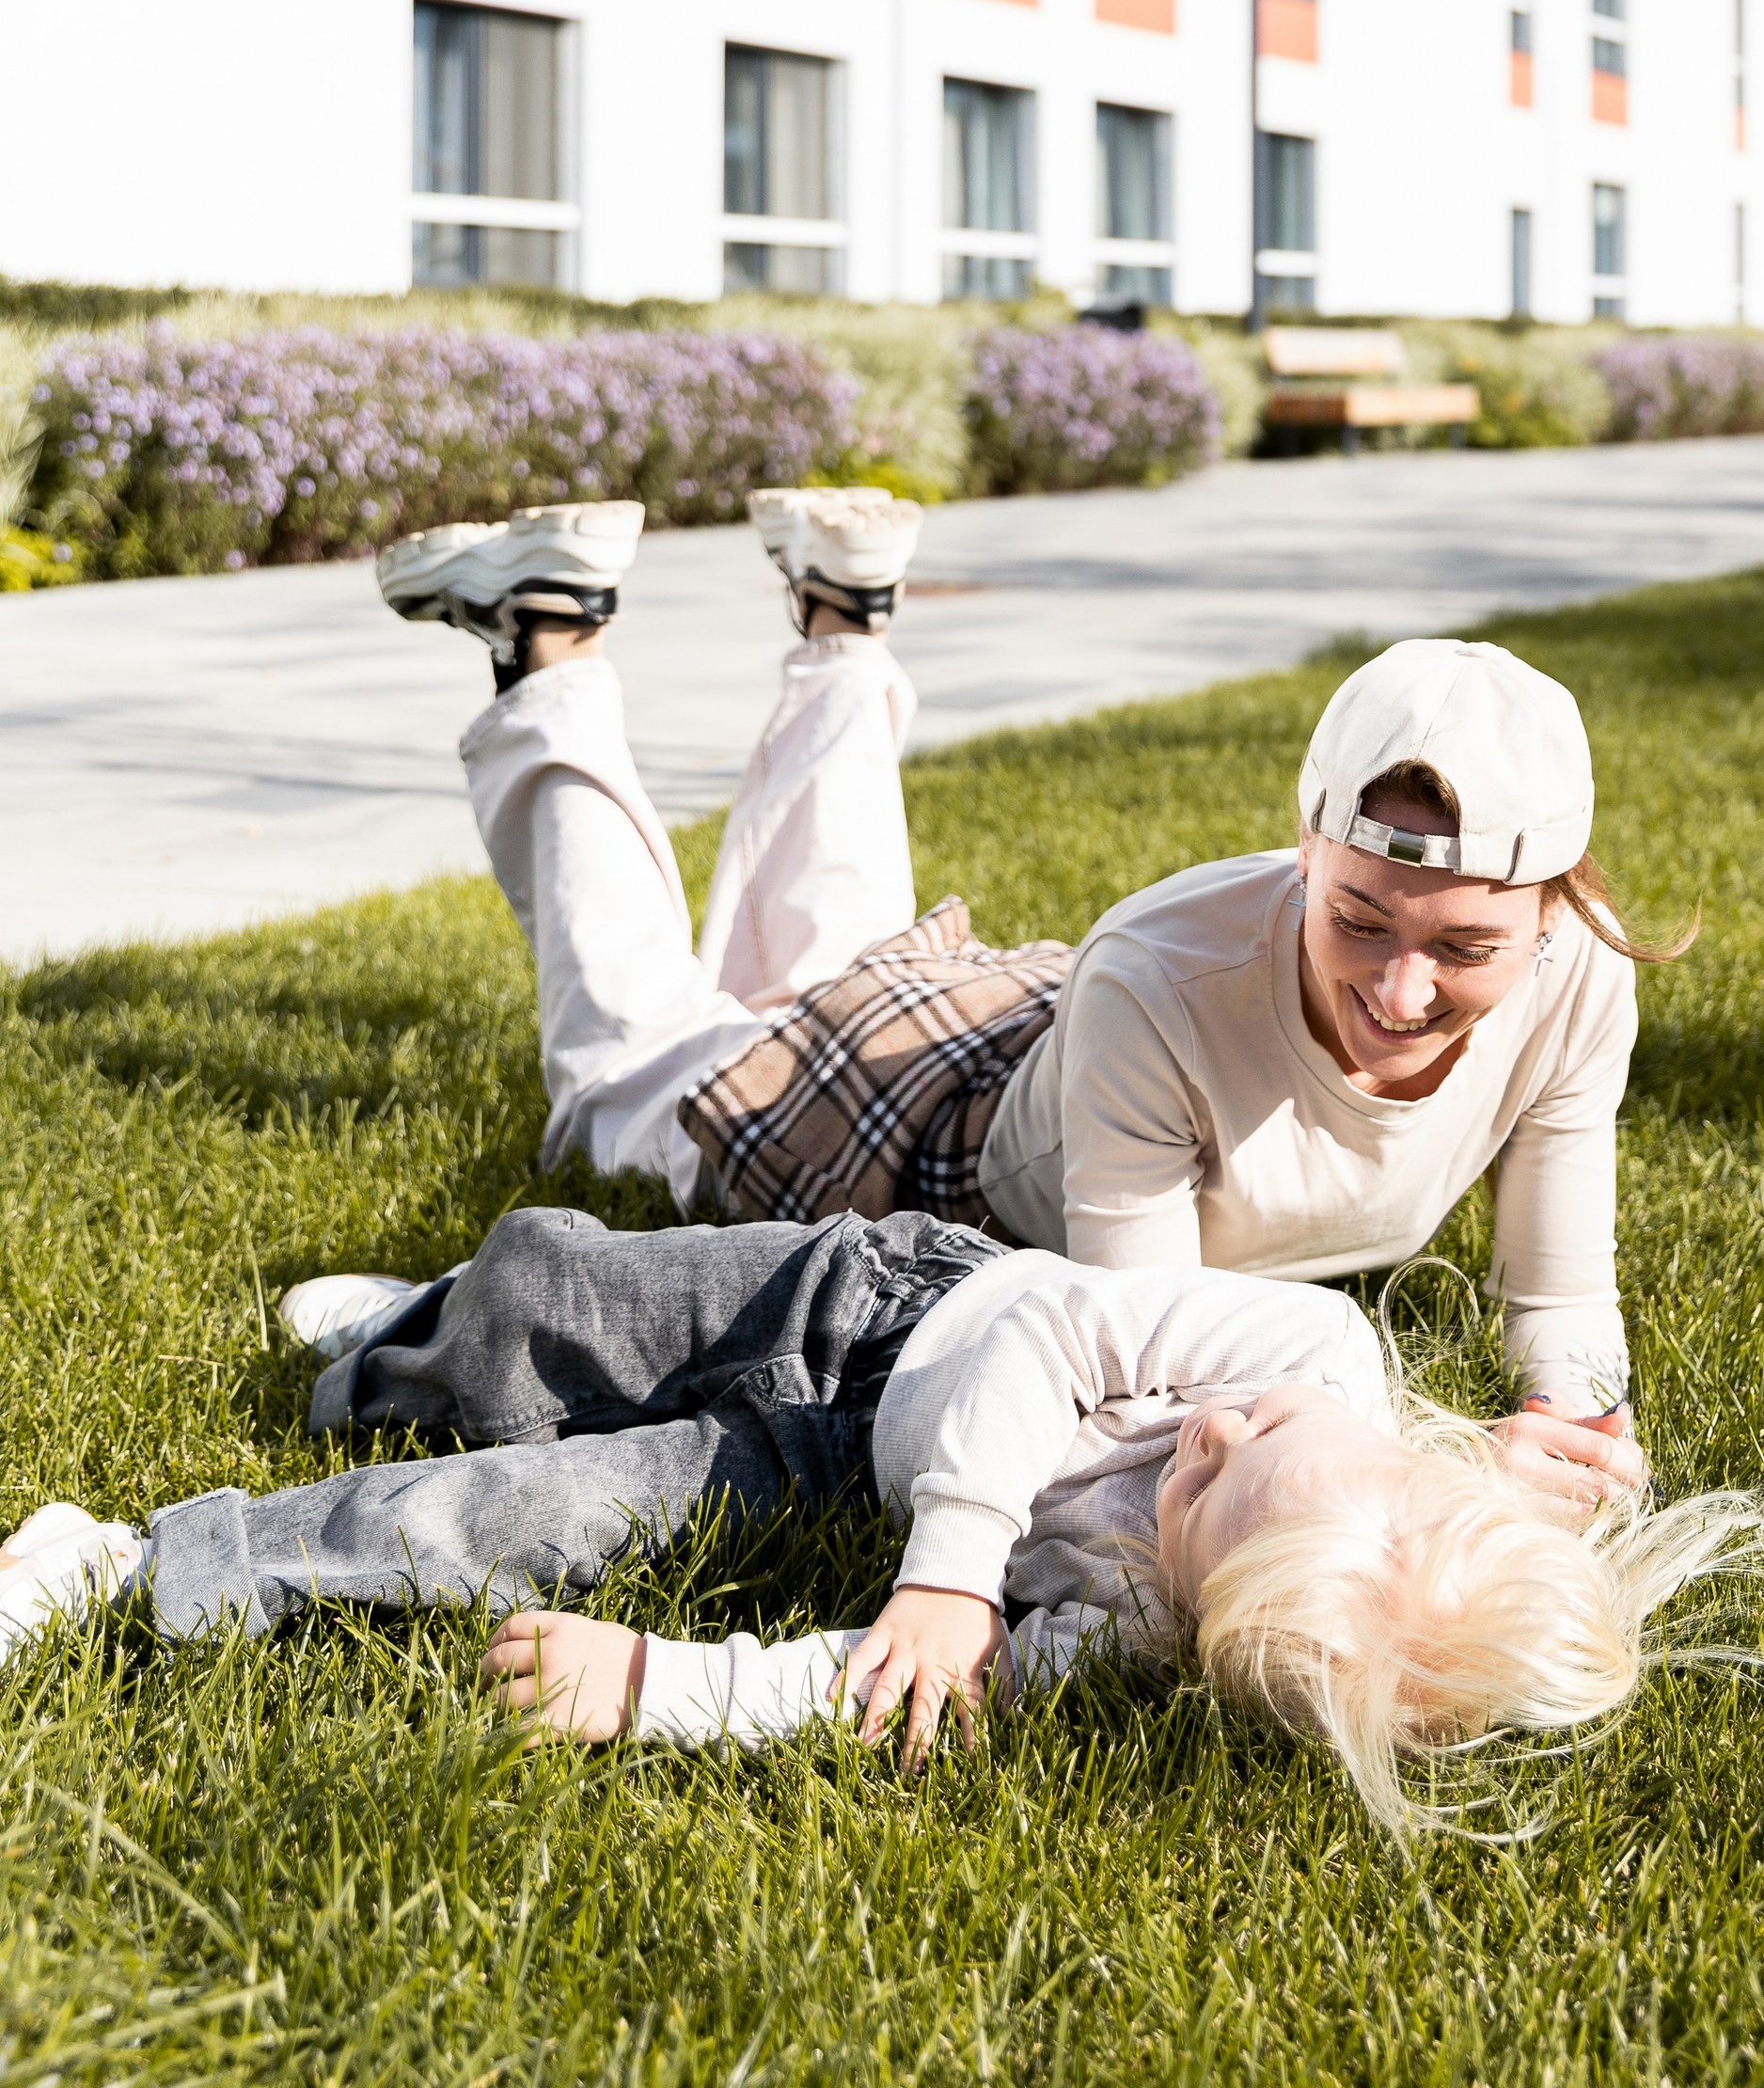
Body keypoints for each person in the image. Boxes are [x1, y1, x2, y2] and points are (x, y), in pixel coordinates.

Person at [354, 487, 1678, 1503]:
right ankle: (548, 644)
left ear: (1552, 909)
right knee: (629, 1076)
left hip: (1046, 1045)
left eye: (1464, 949)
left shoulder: (1581, 981)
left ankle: (843, 621)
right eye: (1358, 918)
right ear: (1303, 847)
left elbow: (1558, 1302)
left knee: (826, 965)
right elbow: (1145, 1373)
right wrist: (1438, 1472)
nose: (1401, 985)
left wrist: (1579, 1427)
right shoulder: (1164, 973)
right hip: (937, 1175)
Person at [0, 1205, 1764, 1839]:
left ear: (1202, 1610)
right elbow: (1046, 1339)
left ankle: (129, 1560)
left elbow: (905, 1689)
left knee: (518, 1512)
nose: (1208, 1432)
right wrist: (951, 1574)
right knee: (552, 1303)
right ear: (1402, 1451)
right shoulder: (1304, 1352)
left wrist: (662, 1690)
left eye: (1203, 1486)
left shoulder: (1148, 1630)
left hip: (824, 1464)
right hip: (872, 1301)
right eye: (1259, 1436)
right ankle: (416, 1322)